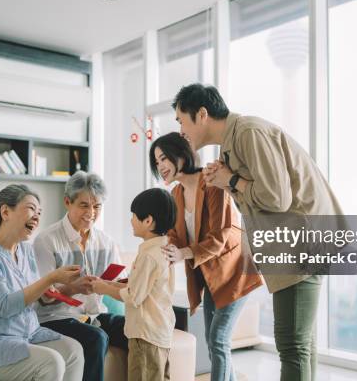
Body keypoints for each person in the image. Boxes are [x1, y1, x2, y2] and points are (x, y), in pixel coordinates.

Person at [172, 83, 344, 381]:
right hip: (291, 243)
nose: (181, 130)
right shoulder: (233, 143)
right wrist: (228, 180)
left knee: (291, 343)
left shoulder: (248, 132)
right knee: (300, 343)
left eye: (181, 121)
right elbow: (257, 201)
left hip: (301, 243)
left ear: (202, 114)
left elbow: (277, 199)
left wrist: (232, 179)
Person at [149, 132, 263, 381]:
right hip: (210, 276)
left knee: (219, 339)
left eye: (164, 158)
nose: (160, 167)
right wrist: (164, 247)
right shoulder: (176, 195)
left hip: (234, 271)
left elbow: (220, 234)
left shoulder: (211, 183)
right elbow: (176, 234)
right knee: (214, 343)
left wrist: (183, 253)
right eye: (156, 163)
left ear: (181, 155)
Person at [0, 184, 84, 381]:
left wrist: (61, 289)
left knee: (73, 350)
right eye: (31, 208)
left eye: (39, 212)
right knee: (51, 361)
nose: (37, 216)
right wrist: (50, 278)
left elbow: (35, 297)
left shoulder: (26, 250)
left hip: (26, 333)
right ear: (5, 212)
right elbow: (4, 306)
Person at [33, 171, 127, 381]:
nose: (91, 213)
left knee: (135, 329)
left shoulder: (106, 242)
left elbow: (120, 283)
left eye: (97, 206)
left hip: (94, 315)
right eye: (84, 205)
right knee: (96, 338)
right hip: (55, 318)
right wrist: (74, 287)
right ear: (68, 202)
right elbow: (44, 296)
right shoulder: (46, 241)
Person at [90, 188, 177, 381]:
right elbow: (140, 288)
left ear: (148, 221)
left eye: (134, 216)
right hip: (160, 331)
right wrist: (106, 283)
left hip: (145, 335)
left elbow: (134, 296)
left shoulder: (148, 256)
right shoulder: (163, 250)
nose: (131, 221)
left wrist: (103, 289)